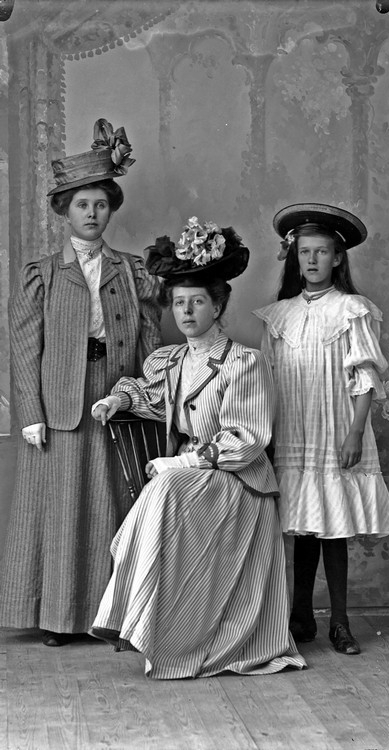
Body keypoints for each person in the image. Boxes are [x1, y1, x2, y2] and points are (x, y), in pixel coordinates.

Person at [90, 216, 307, 679]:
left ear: (218, 305)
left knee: (165, 489)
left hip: (237, 481)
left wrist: (181, 462)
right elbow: (148, 394)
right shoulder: (169, 360)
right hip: (191, 476)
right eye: (179, 303)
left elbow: (246, 442)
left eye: (198, 302)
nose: (186, 312)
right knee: (165, 491)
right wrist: (117, 400)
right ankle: (147, 624)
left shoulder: (243, 363)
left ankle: (157, 627)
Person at [0, 119, 162, 647]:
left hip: (115, 395)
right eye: (81, 205)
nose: (92, 214)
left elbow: (148, 345)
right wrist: (30, 414)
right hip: (60, 403)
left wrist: (147, 401)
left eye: (100, 205)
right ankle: (57, 617)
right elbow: (25, 349)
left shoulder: (130, 271)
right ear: (64, 212)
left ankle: (111, 616)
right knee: (61, 510)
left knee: (111, 505)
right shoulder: (43, 275)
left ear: (111, 210)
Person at [253, 203, 389, 655]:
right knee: (303, 526)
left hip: (336, 430)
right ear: (295, 258)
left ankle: (340, 622)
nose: (313, 260)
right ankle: (301, 618)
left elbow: (364, 378)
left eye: (321, 252)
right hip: (295, 432)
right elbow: (267, 382)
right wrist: (267, 435)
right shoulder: (279, 315)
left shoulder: (351, 309)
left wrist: (355, 432)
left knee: (334, 530)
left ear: (337, 258)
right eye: (305, 252)